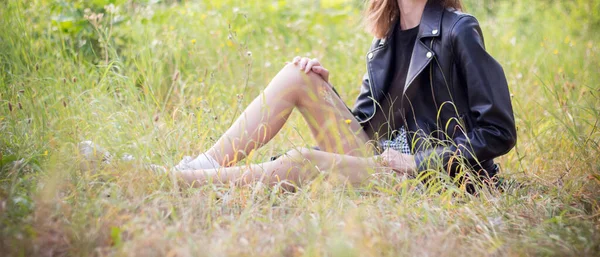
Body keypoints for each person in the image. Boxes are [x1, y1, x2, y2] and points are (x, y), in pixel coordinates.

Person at [84, 0, 516, 190]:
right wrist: (324, 92)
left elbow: (498, 131)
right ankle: (203, 164)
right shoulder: (384, 40)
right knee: (299, 75)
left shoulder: (459, 30)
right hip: (382, 161)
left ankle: (172, 181)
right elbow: (371, 129)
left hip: (427, 178)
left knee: (302, 161)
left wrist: (418, 162)